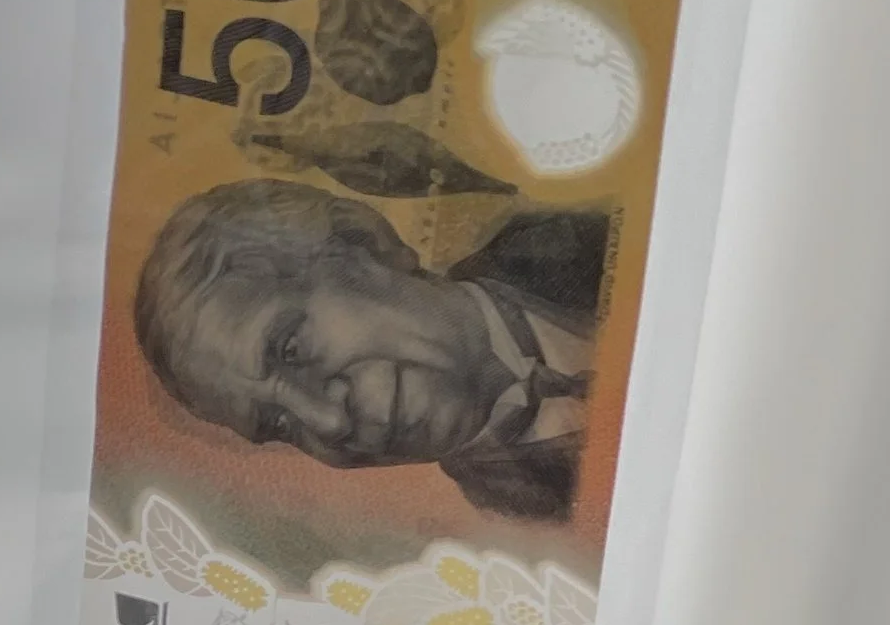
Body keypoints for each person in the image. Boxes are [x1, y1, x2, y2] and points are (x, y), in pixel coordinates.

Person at [133, 180, 611, 523]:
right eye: (279, 426)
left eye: (291, 349)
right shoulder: (523, 526)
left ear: (360, 242)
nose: (329, 423)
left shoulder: (597, 230)